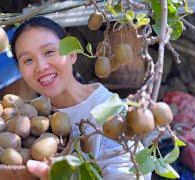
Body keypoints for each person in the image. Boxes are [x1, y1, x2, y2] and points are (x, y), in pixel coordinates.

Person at [10, 16, 151, 180]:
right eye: (28, 60)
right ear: (20, 71)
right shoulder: (30, 114)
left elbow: (131, 174)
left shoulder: (108, 109)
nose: (41, 66)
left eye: (49, 52)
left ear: (72, 54)